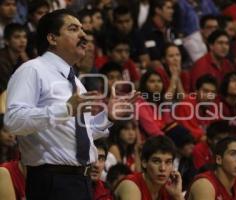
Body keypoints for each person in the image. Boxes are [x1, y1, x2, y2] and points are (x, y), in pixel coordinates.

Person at [4, 9, 137, 200]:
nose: (83, 35)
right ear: (52, 38)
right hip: (51, 180)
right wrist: (65, 109)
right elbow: (13, 120)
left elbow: (81, 132)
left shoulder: (76, 82)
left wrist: (107, 117)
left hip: (82, 179)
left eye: (82, 29)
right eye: (74, 29)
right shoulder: (32, 70)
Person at [114, 135, 184, 200]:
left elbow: (177, 195)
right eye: (156, 161)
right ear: (144, 162)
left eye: (168, 162)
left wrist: (178, 195)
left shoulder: (169, 189)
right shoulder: (130, 186)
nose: (163, 168)